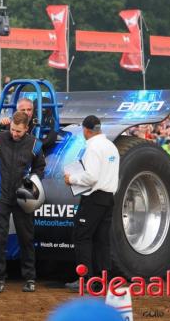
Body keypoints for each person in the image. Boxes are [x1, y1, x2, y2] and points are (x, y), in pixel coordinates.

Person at [0, 111, 46, 294]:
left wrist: (32, 182)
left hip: (23, 195)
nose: (15, 133)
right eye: (13, 129)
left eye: (19, 131)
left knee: (26, 237)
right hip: (0, 194)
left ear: (27, 129)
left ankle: (30, 278)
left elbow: (40, 167)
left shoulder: (35, 144)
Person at [64, 115, 119, 292]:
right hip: (109, 197)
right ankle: (104, 279)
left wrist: (71, 178)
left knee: (82, 236)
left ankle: (85, 278)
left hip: (94, 198)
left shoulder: (94, 147)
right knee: (102, 240)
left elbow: (91, 176)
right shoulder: (111, 146)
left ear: (86, 130)